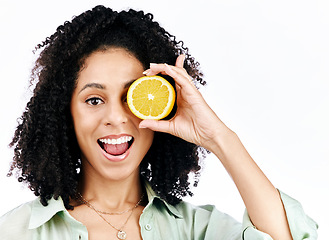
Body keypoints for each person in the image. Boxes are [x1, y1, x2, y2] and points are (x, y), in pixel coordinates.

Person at [0, 5, 317, 240]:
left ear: (158, 106)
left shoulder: (195, 229)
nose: (115, 118)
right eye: (94, 100)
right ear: (64, 113)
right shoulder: (18, 231)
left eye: (131, 97)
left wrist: (219, 137)